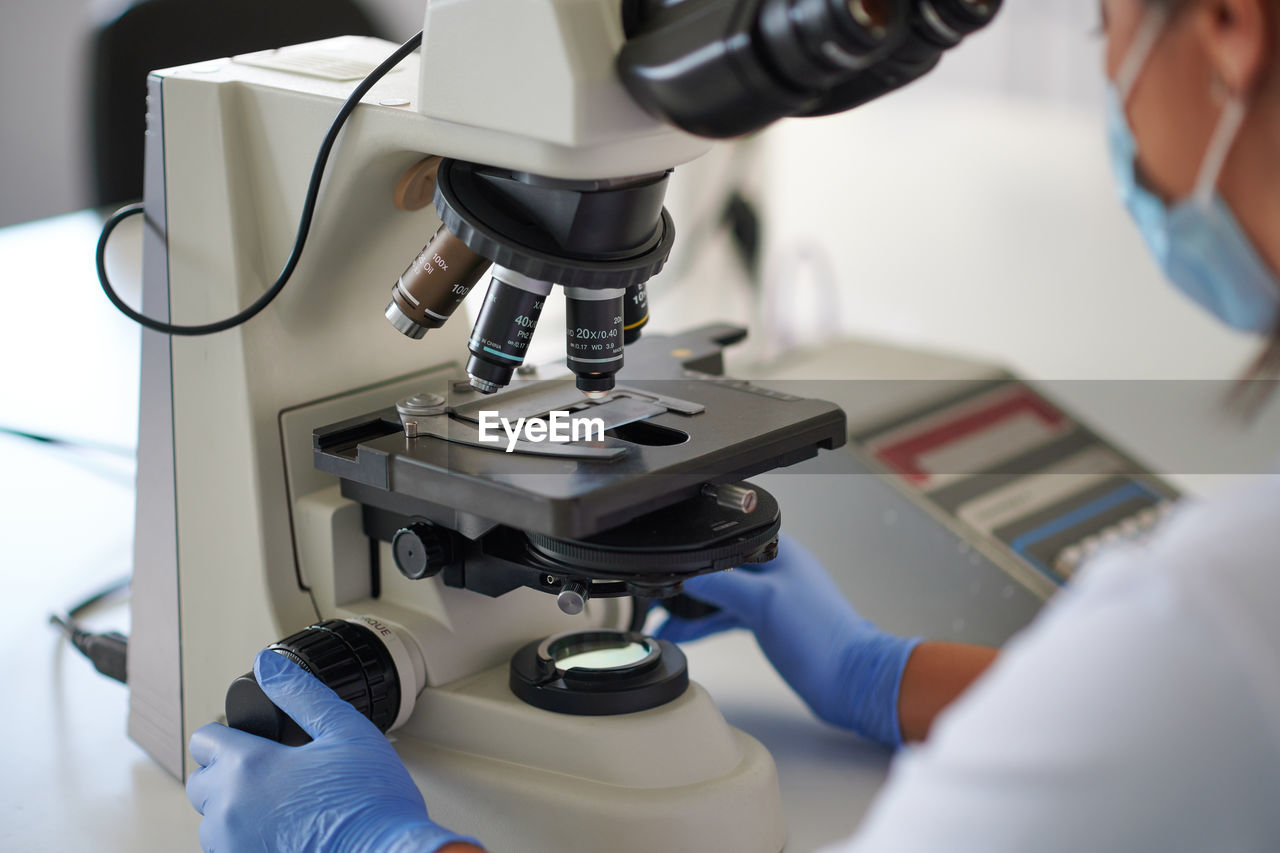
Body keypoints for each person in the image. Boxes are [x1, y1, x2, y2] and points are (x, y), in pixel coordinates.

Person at [184, 0, 1280, 849]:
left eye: (1107, 24)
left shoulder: (1211, 621)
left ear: (1227, 25)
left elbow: (1187, 698)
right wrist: (883, 674)